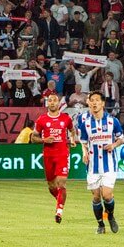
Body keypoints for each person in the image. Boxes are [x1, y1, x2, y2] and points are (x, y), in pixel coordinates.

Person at [77, 91, 124, 234]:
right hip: (92, 165)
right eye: (92, 100)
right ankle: (100, 225)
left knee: (107, 195)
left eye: (98, 100)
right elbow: (83, 142)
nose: (95, 103)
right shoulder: (85, 123)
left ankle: (110, 216)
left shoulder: (112, 121)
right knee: (96, 197)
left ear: (103, 103)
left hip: (109, 164)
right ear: (89, 103)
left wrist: (113, 145)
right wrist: (84, 153)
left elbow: (121, 138)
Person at [30, 93, 76, 222]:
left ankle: (59, 211)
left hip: (62, 154)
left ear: (58, 103)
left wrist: (72, 139)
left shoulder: (66, 118)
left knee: (61, 183)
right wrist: (45, 139)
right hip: (48, 155)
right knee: (51, 186)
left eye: (55, 101)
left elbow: (72, 130)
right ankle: (61, 199)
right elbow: (33, 137)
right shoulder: (42, 119)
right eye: (50, 101)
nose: (52, 103)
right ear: (47, 103)